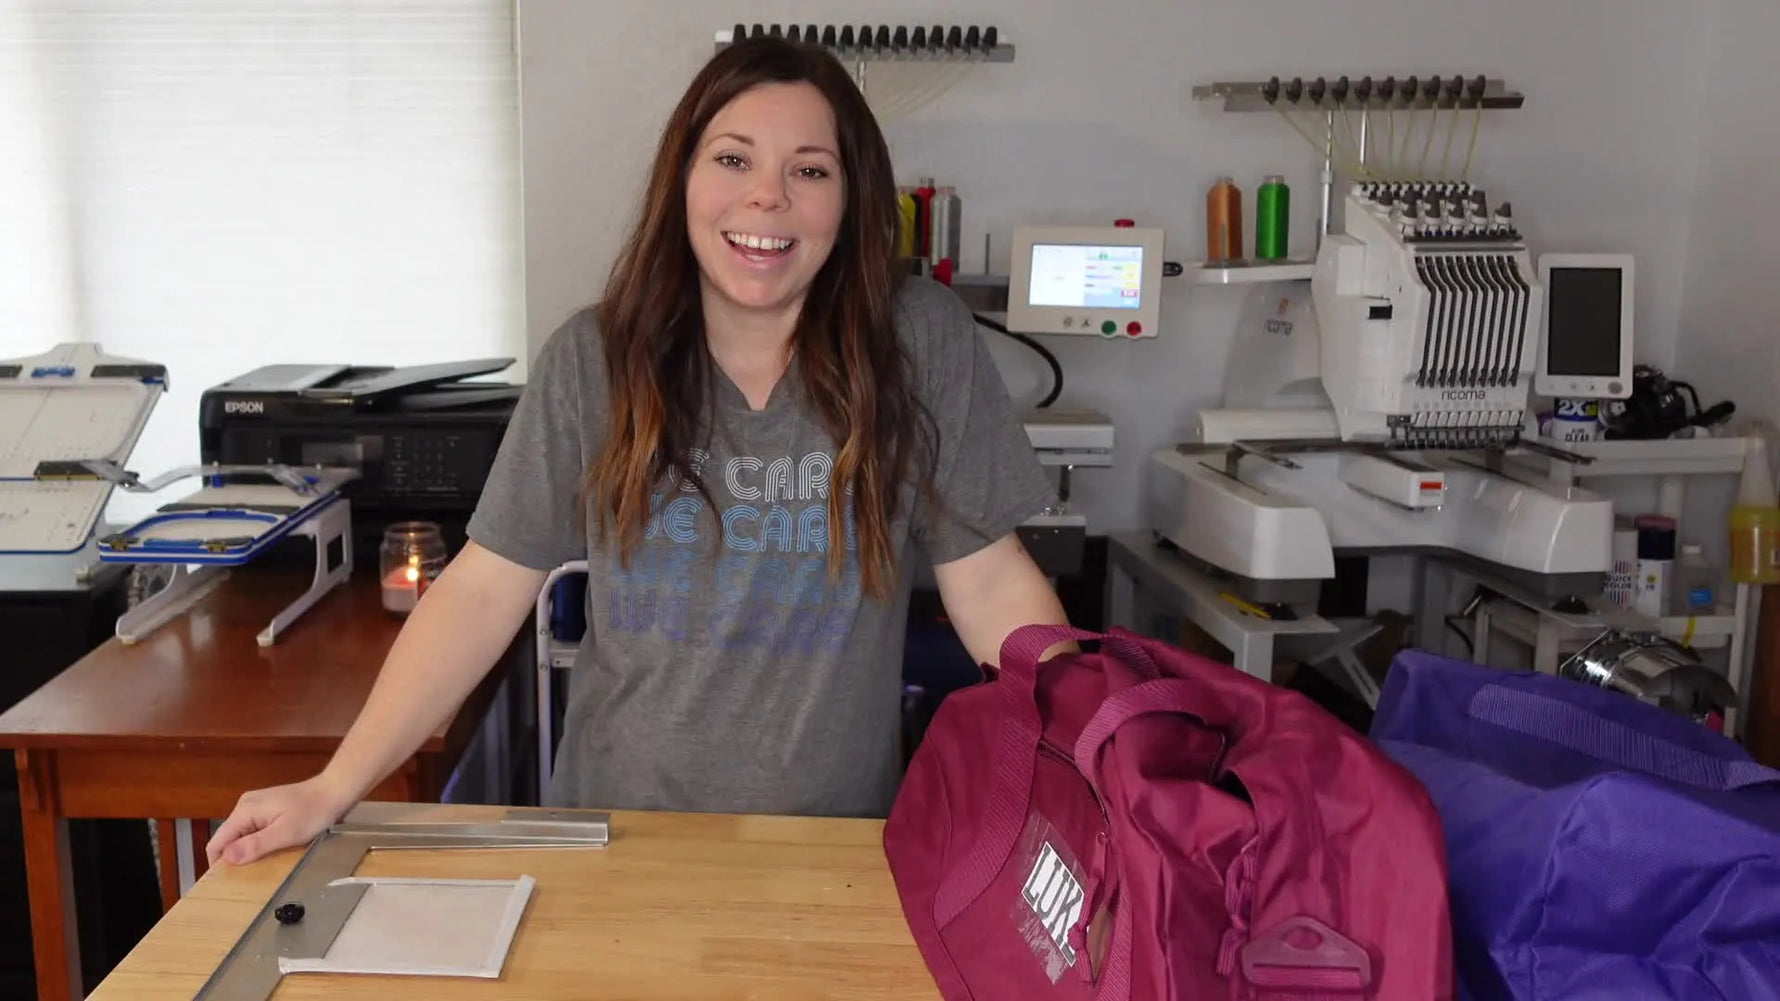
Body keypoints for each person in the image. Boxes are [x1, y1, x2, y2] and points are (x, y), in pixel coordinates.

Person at [206, 34, 1069, 867]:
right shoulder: (596, 359)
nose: (767, 197)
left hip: (834, 850)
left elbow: (990, 579)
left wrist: (1095, 759)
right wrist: (335, 785)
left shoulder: (918, 345)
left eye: (809, 170)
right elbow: (482, 587)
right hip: (613, 840)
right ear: (682, 179)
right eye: (733, 159)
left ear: (849, 202)